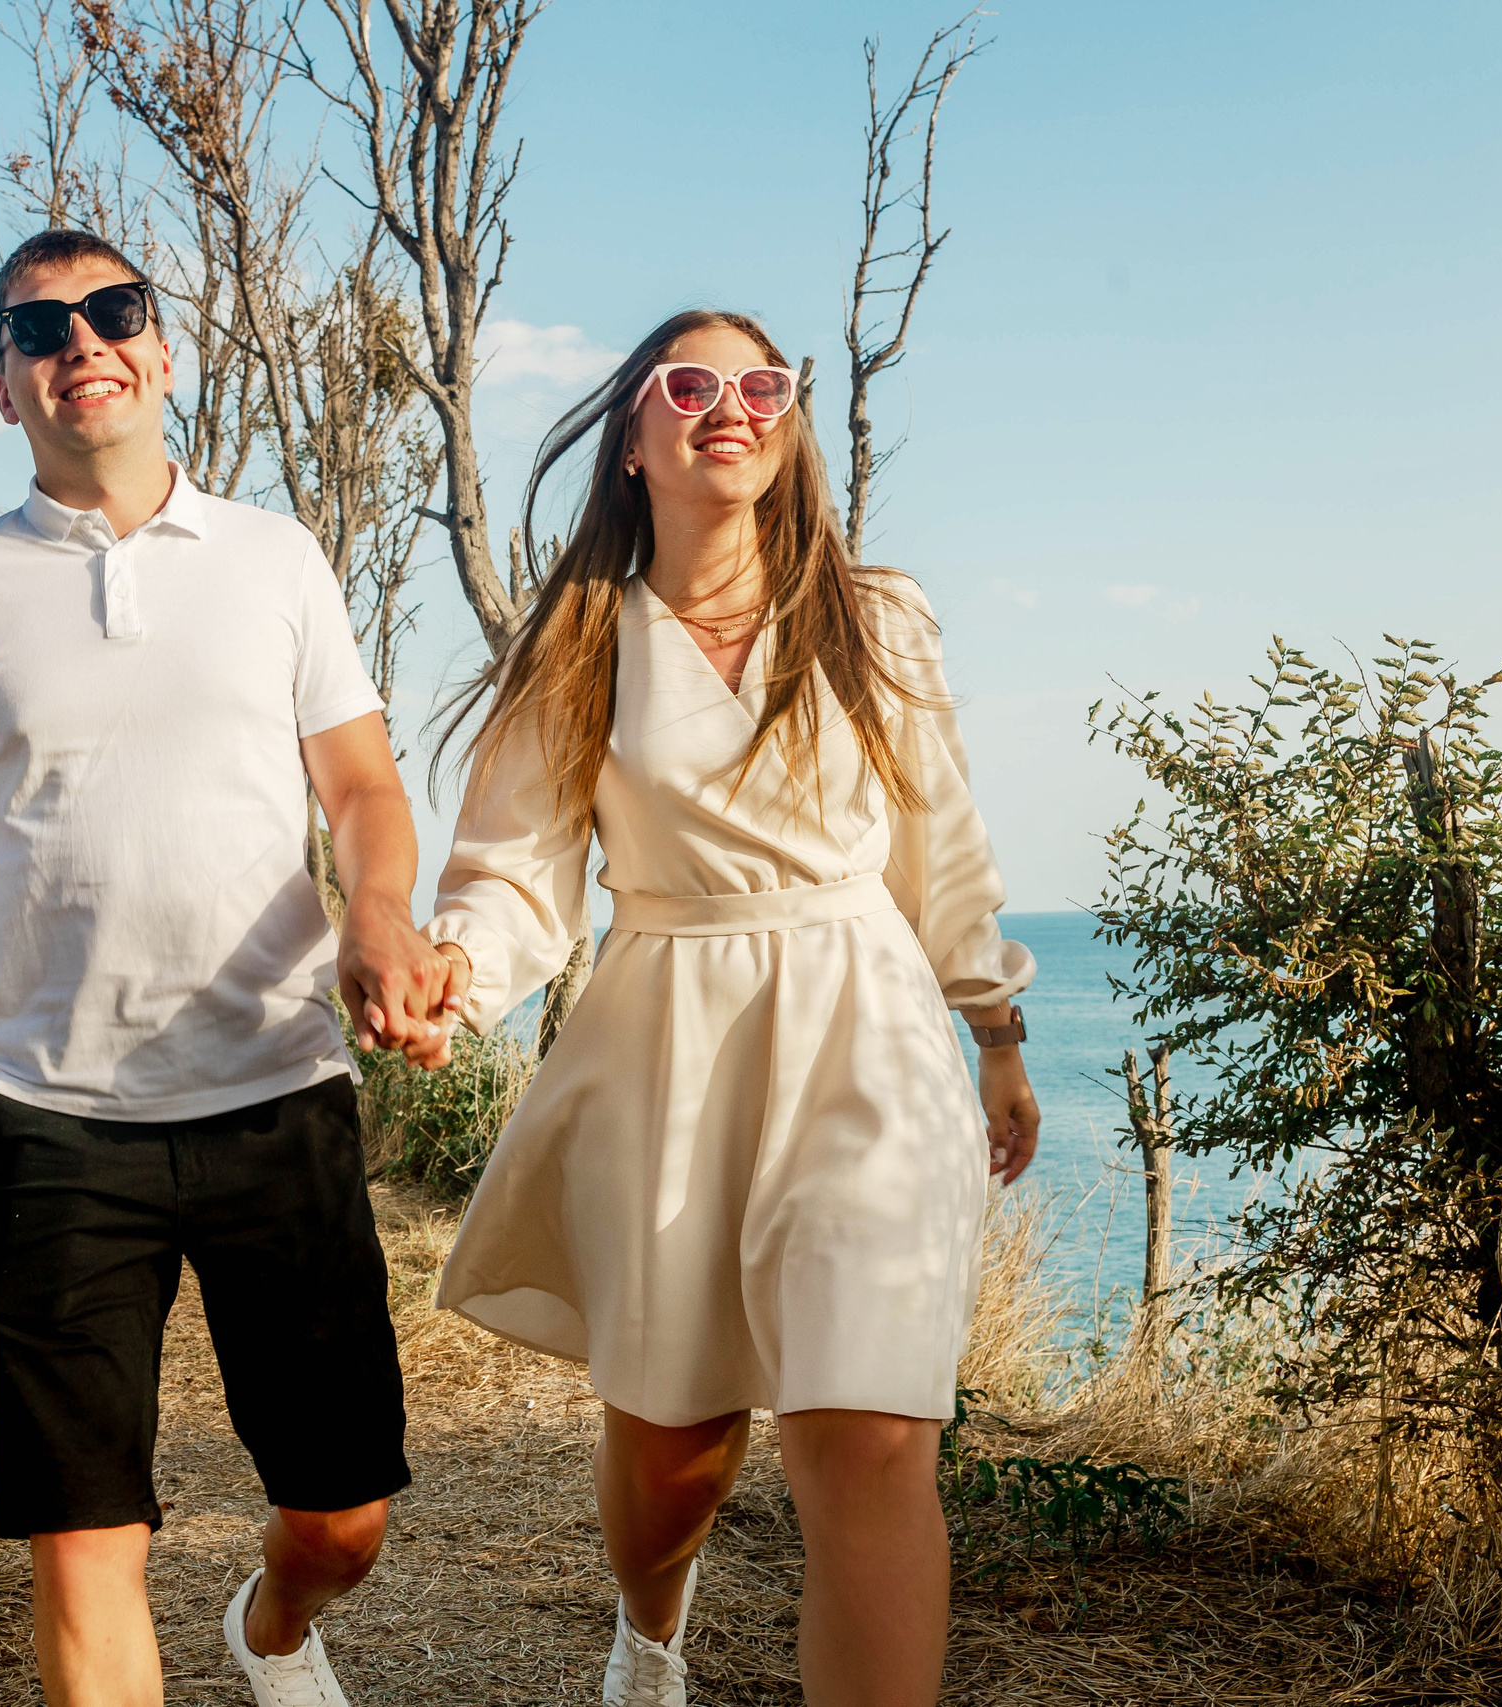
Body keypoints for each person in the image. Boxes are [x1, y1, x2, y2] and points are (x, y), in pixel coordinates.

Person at [0, 228, 448, 1707]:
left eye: (113, 312)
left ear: (163, 347)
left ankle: (271, 1629)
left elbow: (368, 794)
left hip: (279, 1094)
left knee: (345, 1518)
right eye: (39, 328)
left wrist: (379, 915)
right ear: (4, 386)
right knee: (84, 1542)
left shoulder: (277, 559)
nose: (83, 344)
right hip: (61, 1124)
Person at [405, 309, 1042, 1707]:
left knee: (870, 1436)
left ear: (792, 421)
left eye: (762, 383)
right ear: (634, 438)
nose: (730, 405)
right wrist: (453, 979)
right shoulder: (579, 636)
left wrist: (993, 1032)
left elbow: (944, 848)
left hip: (865, 1029)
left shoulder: (877, 619)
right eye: (688, 384)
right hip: (667, 1045)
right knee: (670, 1453)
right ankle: (652, 1632)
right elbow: (516, 876)